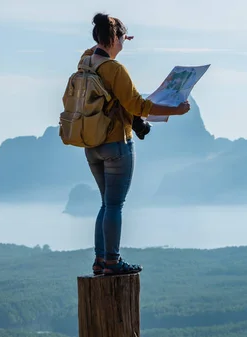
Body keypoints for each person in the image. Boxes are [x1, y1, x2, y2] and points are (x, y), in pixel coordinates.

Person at [78, 12, 190, 276]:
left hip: (91, 145)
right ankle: (112, 261)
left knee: (106, 203)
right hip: (116, 144)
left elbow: (93, 48)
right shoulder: (115, 70)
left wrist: (115, 34)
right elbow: (138, 106)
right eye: (121, 38)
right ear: (114, 38)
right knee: (114, 205)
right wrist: (177, 110)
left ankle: (100, 260)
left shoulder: (85, 62)